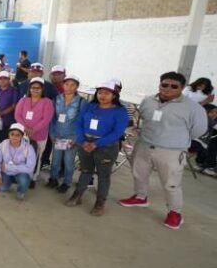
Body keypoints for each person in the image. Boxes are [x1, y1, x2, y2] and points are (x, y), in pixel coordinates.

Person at [119, 72, 208, 229]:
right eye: (164, 84)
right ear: (159, 84)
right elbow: (143, 118)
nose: (168, 88)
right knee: (139, 174)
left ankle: (174, 212)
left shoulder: (193, 108)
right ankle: (140, 197)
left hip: (171, 151)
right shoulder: (148, 100)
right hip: (144, 145)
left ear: (182, 87)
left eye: (174, 86)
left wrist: (176, 138)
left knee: (171, 183)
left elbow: (199, 130)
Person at [64, 81, 129, 215]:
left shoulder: (120, 111)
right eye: (100, 92)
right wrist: (82, 141)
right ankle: (78, 195)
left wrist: (96, 144)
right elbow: (78, 123)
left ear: (114, 95)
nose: (102, 96)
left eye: (106, 93)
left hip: (106, 146)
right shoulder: (90, 106)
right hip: (85, 142)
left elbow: (117, 132)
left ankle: (100, 202)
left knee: (103, 175)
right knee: (85, 170)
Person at [46, 74, 85, 193]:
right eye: (67, 84)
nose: (69, 87)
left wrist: (77, 138)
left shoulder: (81, 101)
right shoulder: (57, 99)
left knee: (68, 162)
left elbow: (83, 122)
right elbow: (52, 118)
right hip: (57, 135)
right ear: (63, 85)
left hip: (71, 137)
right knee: (55, 160)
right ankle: (53, 179)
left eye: (73, 85)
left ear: (77, 87)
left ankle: (67, 182)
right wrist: (52, 135)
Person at [14, 77, 55, 186]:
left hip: (39, 135)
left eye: (38, 88)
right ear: (29, 88)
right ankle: (21, 174)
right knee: (22, 155)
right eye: (33, 87)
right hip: (23, 134)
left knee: (36, 156)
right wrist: (25, 128)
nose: (35, 90)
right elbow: (17, 115)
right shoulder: (23, 100)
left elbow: (46, 119)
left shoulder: (47, 102)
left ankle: (33, 177)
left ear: (42, 89)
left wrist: (33, 129)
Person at [0, 123, 37, 201]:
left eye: (18, 135)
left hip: (21, 173)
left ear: (22, 136)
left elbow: (30, 168)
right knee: (2, 188)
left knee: (24, 180)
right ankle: (8, 182)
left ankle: (21, 191)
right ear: (9, 135)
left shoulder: (29, 148)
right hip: (6, 172)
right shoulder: (3, 144)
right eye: (12, 134)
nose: (14, 137)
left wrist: (9, 167)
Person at [194, 104, 217, 176]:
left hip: (196, 142)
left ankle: (201, 163)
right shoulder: (208, 119)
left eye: (216, 113)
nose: (214, 114)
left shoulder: (200, 118)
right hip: (198, 143)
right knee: (213, 145)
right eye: (212, 112)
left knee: (213, 143)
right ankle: (209, 167)